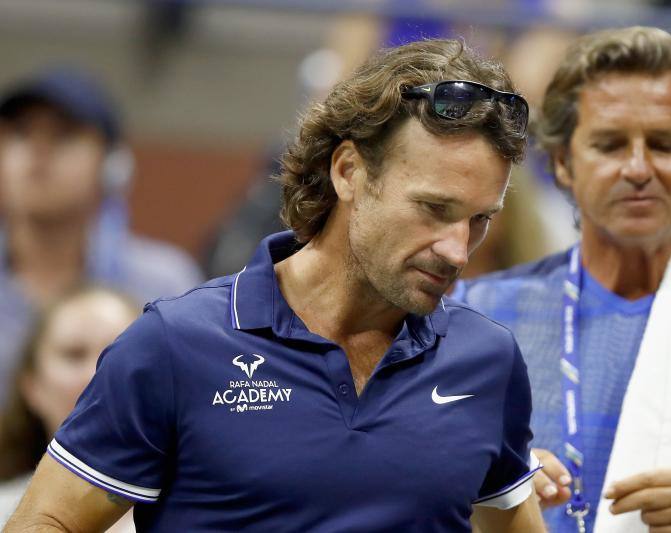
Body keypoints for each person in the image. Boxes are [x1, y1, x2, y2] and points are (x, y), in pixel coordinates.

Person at [5, 40, 546, 532]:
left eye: (479, 220)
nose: (457, 250)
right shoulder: (173, 344)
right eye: (433, 208)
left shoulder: (488, 360)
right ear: (349, 172)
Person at [454, 26, 671, 532]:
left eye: (663, 144)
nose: (638, 169)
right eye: (610, 145)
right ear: (564, 164)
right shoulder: (477, 313)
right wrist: (494, 491)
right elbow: (411, 488)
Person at [0, 67, 204, 402]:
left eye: (63, 135)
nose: (37, 150)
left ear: (112, 166)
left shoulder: (165, 287)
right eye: (21, 133)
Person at [0, 286, 139, 531]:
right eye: (74, 355)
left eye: (119, 353)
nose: (96, 373)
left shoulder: (209, 508)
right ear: (32, 386)